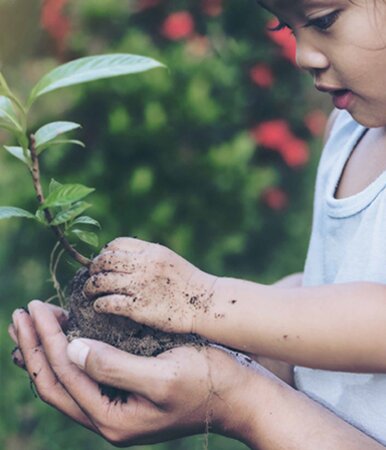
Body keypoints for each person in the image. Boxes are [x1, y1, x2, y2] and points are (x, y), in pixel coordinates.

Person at [9, 0, 386, 448]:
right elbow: (341, 285)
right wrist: (199, 339)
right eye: (287, 28)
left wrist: (205, 301)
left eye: (324, 21)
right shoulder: (347, 133)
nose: (304, 55)